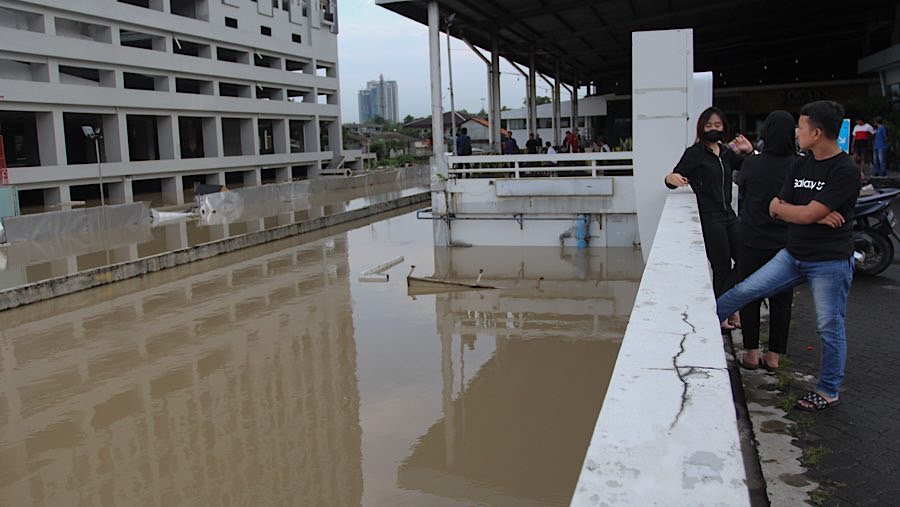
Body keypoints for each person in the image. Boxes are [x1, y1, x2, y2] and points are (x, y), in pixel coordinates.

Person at [716, 100, 861, 412]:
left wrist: (803, 212)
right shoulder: (799, 164)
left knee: (829, 325)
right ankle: (693, 330)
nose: (798, 132)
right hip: (793, 253)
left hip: (829, 261)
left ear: (817, 132)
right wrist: (813, 214)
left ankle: (828, 390)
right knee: (742, 291)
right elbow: (776, 206)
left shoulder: (845, 170)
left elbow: (794, 209)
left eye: (802, 126)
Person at [665, 106, 753, 329]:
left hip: (729, 215)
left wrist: (749, 152)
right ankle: (723, 314)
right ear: (701, 128)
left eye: (717, 125)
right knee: (722, 266)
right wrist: (672, 178)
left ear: (723, 127)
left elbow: (750, 169)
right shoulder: (695, 153)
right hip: (710, 217)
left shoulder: (725, 152)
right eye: (708, 126)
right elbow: (673, 176)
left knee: (746, 260)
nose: (713, 129)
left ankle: (728, 307)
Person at [734, 111, 797, 371]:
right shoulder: (799, 164)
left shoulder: (752, 164)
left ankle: (751, 353)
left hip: (753, 240)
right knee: (782, 301)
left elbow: (744, 196)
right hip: (786, 243)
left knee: (750, 296)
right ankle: (774, 357)